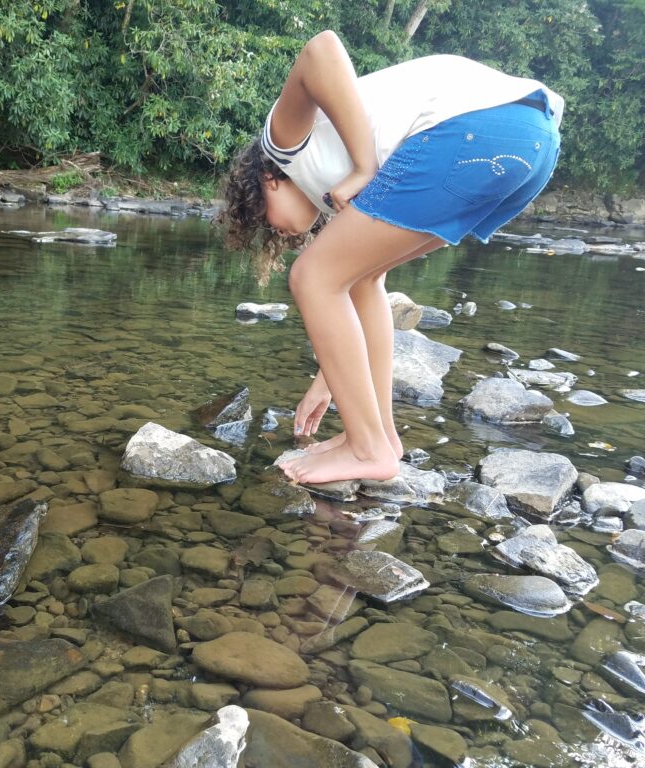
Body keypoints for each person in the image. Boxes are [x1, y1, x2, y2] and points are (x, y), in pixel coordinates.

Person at [220, 30, 563, 485]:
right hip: (532, 140)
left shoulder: (281, 144)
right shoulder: (329, 188)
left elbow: (320, 48)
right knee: (362, 278)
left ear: (269, 180)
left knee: (311, 276)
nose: (276, 232)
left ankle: (367, 449)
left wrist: (363, 166)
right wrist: (332, 377)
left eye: (264, 220)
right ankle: (380, 438)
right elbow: (363, 292)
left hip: (473, 131)